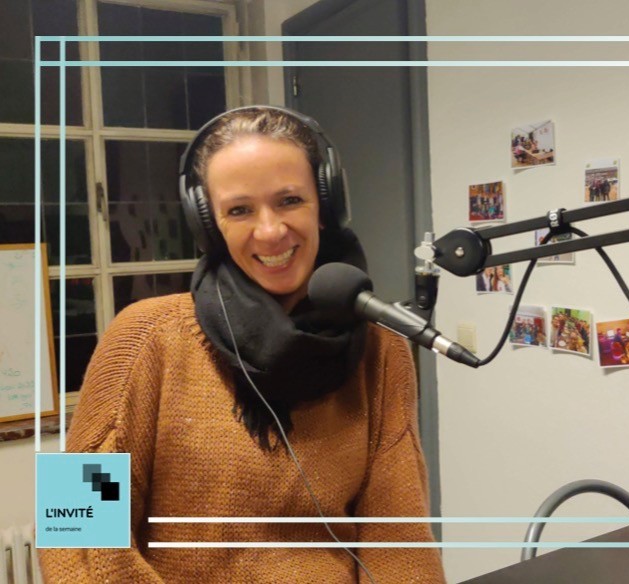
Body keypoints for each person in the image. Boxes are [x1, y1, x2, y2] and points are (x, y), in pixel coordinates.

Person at [39, 106, 445, 584]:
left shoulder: (381, 350)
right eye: (239, 210)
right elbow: (75, 535)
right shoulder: (145, 337)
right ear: (209, 225)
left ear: (325, 206)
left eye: (290, 200)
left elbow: (399, 540)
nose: (270, 231)